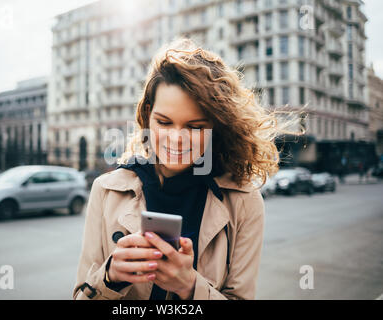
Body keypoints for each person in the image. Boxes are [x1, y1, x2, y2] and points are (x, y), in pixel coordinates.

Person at [73, 38, 301, 300]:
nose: (176, 139)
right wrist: (109, 277)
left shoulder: (245, 202)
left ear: (216, 125)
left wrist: (190, 286)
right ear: (148, 114)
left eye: (195, 126)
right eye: (164, 122)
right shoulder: (106, 190)